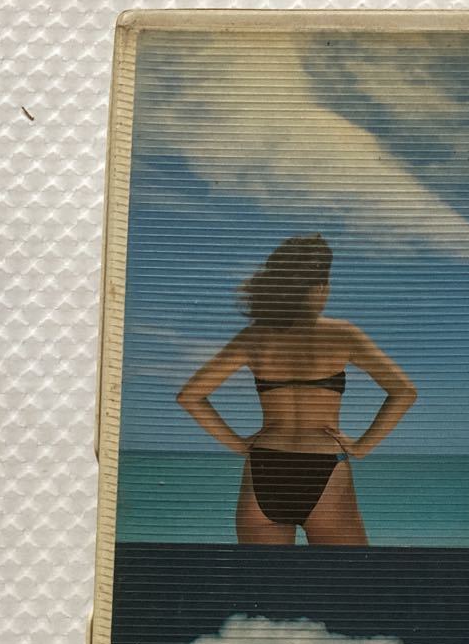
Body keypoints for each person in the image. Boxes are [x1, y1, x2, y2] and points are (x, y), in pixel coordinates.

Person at [175, 234, 417, 546]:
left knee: (266, 578)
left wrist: (237, 443)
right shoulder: (343, 334)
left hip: (264, 466)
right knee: (350, 575)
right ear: (320, 288)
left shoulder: (253, 337)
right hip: (324, 466)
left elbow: (190, 396)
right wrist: (362, 447)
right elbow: (404, 391)